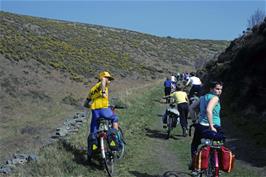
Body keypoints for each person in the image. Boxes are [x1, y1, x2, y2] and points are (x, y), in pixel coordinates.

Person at [84, 71, 120, 161]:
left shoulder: (92, 90)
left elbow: (85, 104)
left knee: (93, 133)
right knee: (115, 118)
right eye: (109, 78)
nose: (109, 81)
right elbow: (103, 80)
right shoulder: (103, 83)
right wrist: (103, 91)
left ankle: (92, 153)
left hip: (95, 112)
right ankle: (113, 137)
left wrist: (92, 106)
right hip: (104, 110)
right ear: (103, 78)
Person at [190, 81, 224, 160]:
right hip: (214, 125)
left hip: (201, 125)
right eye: (217, 89)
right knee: (217, 146)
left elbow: (191, 108)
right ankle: (215, 167)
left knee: (195, 144)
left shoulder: (202, 97)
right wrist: (211, 126)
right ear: (211, 89)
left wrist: (194, 120)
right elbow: (209, 110)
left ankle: (195, 164)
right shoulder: (215, 98)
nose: (219, 91)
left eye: (221, 89)